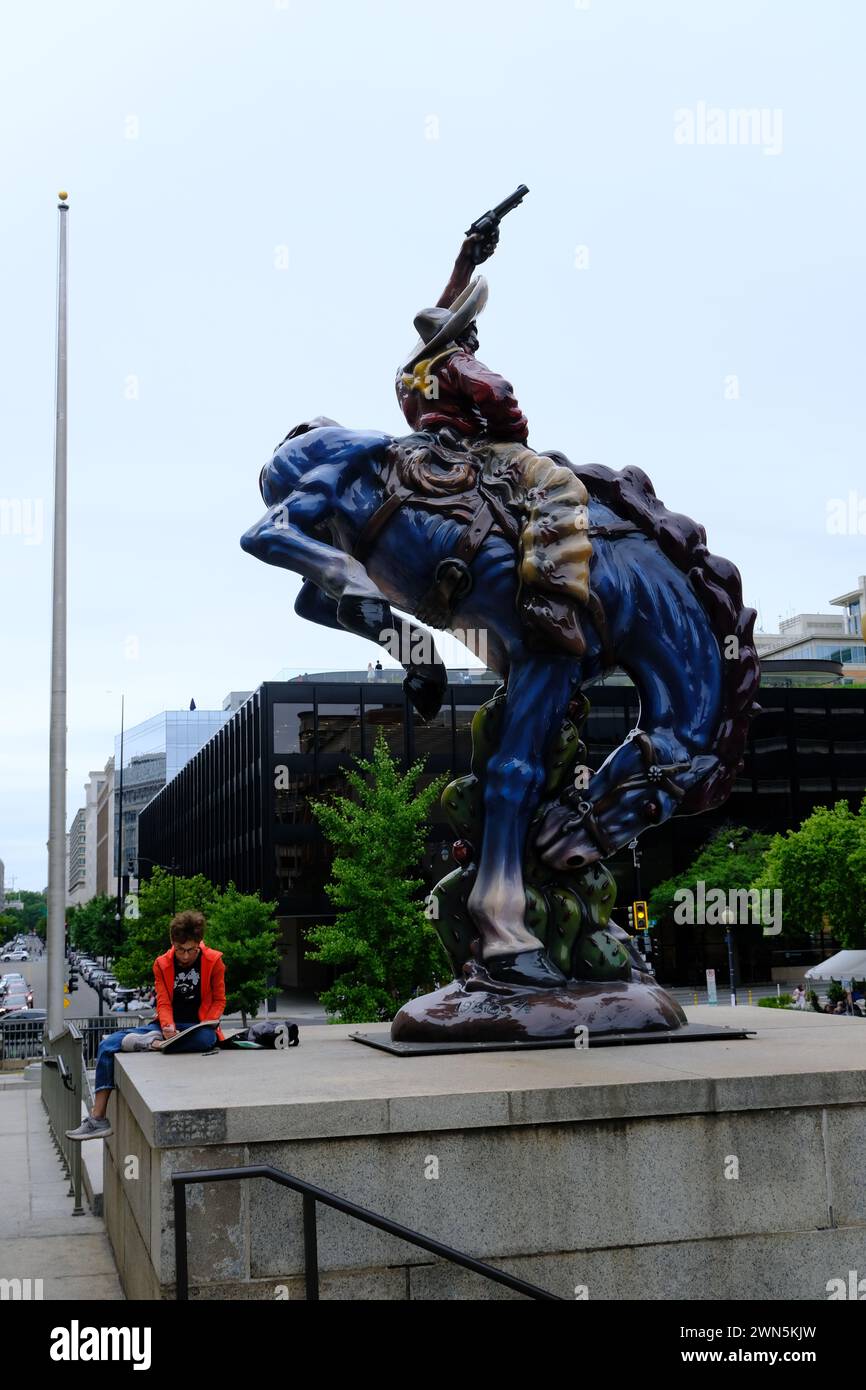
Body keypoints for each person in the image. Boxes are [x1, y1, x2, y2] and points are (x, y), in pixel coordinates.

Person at [66, 910, 226, 1141]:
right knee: (108, 1044)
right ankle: (97, 1119)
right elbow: (162, 1001)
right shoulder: (162, 963)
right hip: (164, 1027)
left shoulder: (214, 961)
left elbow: (219, 999)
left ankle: (153, 1044)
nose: (185, 956)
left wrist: (208, 1022)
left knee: (205, 1040)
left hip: (198, 1028)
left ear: (199, 943)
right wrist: (169, 1025)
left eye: (191, 949)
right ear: (173, 943)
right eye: (180, 949)